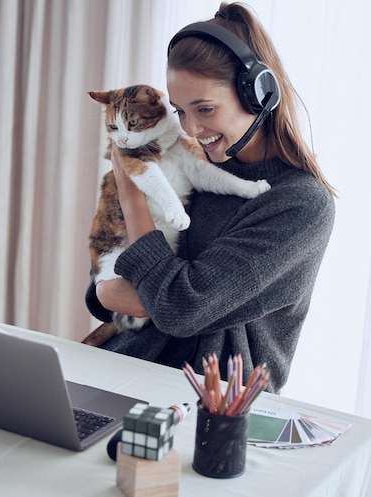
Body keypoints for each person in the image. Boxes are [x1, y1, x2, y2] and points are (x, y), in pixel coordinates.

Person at [84, 2, 335, 394]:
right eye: (181, 111)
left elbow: (178, 309)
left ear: (259, 95)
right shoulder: (186, 161)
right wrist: (105, 291)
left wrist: (131, 189)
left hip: (213, 409)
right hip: (123, 371)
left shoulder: (299, 205)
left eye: (205, 109)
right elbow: (106, 271)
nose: (192, 128)